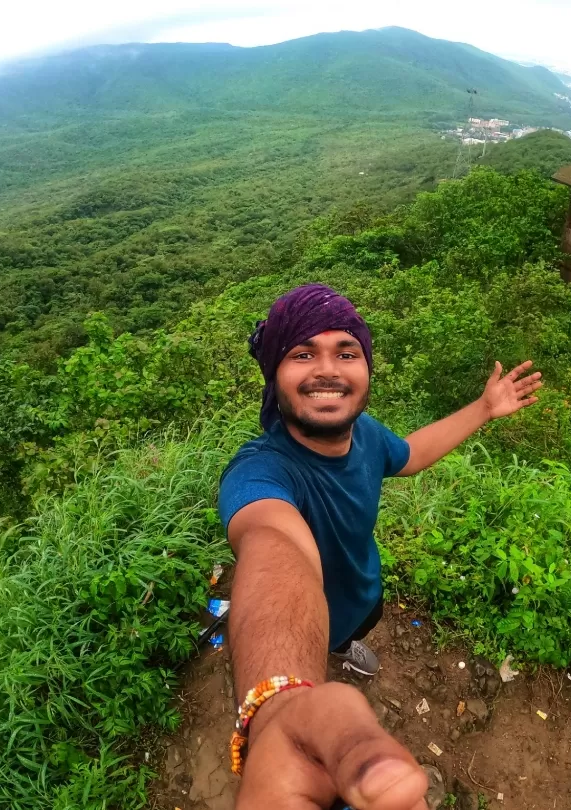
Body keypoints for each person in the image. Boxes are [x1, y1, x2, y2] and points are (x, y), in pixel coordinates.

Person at [218, 284, 542, 810]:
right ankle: (325, 658)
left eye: (346, 352)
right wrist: (278, 705)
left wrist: (484, 408)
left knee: (352, 629)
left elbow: (410, 454)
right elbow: (272, 544)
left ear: (366, 370)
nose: (327, 368)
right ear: (274, 376)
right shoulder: (261, 472)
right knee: (319, 642)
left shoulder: (365, 435)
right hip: (307, 617)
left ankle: (343, 647)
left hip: (362, 589)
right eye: (302, 354)